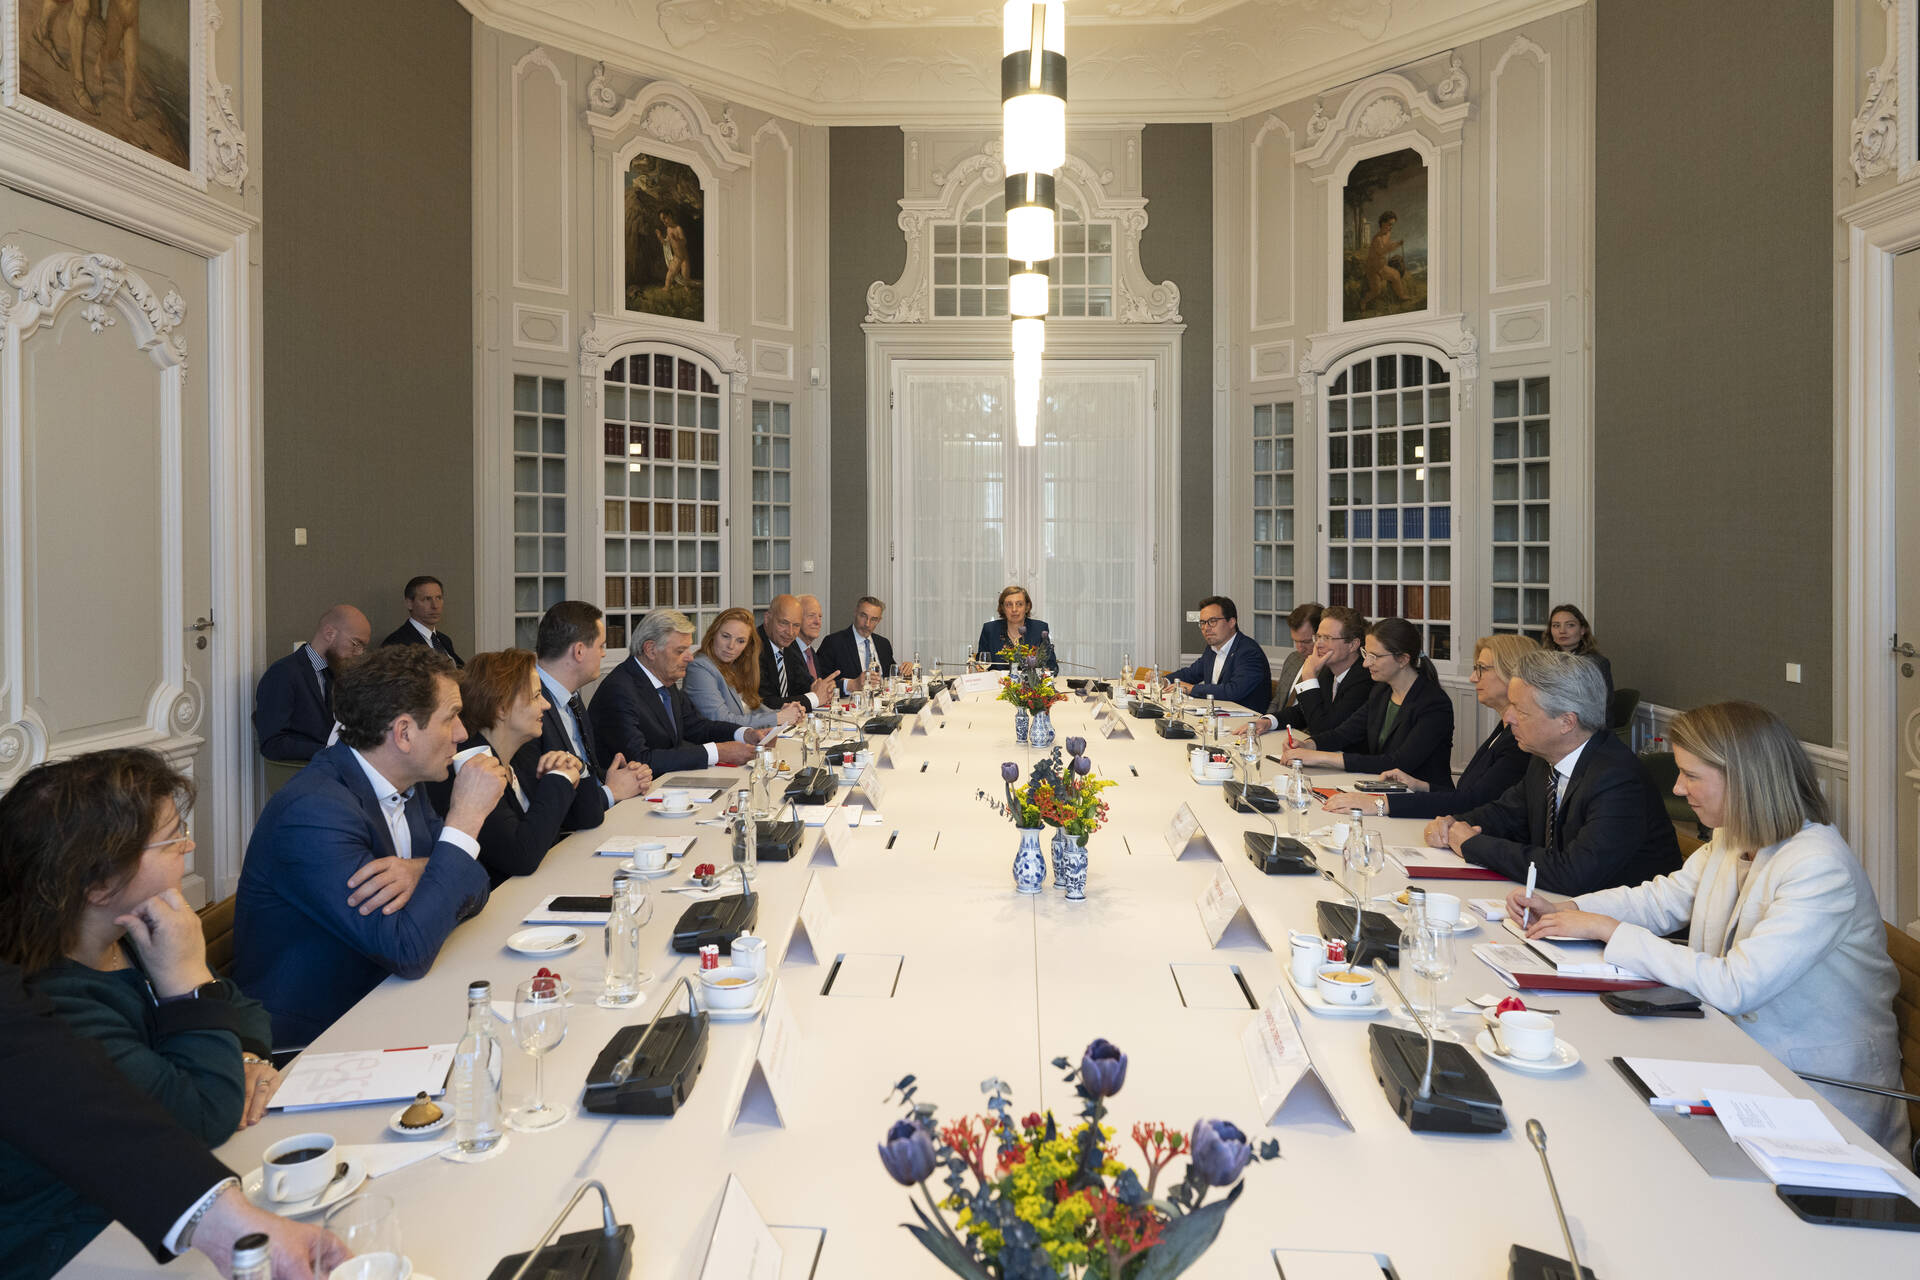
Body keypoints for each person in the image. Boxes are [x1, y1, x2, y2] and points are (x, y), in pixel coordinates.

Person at [1506, 701, 1911, 1158]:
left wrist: (1607, 930)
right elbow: (1662, 900)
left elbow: (1737, 985)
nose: (1678, 788)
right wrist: (1566, 908)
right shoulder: (1734, 836)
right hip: (1740, 1057)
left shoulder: (1818, 866)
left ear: (1744, 779)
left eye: (1691, 775)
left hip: (1818, 1095)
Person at [0, 751, 284, 1277]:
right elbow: (202, 1119)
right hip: (82, 1246)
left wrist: (242, 1055)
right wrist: (188, 985)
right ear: (99, 884)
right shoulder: (48, 1008)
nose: (190, 845)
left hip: (167, 1206)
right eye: (173, 839)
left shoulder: (136, 935)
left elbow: (244, 1010)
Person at [0, 956, 344, 1279]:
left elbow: (45, 1068)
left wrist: (226, 1222)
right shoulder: (66, 987)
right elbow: (206, 1113)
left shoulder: (148, 941)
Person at [234, 646, 507, 1048]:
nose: (462, 733)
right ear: (403, 733)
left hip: (389, 1001)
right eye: (450, 717)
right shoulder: (313, 812)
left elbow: (476, 887)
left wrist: (419, 869)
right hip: (316, 1040)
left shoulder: (404, 782)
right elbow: (407, 950)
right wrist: (465, 820)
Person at [1424, 649, 1680, 895]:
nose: (1509, 717)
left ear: (1566, 722)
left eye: (1521, 710)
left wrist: (1472, 844)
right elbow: (1504, 814)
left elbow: (1574, 873)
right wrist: (1454, 823)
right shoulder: (1543, 758)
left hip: (1622, 930)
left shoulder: (1618, 779)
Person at [430, 650, 645, 887]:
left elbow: (587, 817)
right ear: (501, 708)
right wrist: (559, 779)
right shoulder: (472, 768)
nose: (546, 705)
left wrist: (578, 769)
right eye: (535, 696)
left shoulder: (523, 752)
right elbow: (521, 856)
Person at [1321, 634, 1535, 818]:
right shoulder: (1504, 730)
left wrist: (1380, 804)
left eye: (1481, 669)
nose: (1472, 678)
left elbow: (1473, 801)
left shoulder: (1521, 742)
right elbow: (1466, 793)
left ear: (1512, 674)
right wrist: (1419, 786)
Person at [591, 609, 769, 775]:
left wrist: (744, 733)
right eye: (680, 651)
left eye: (688, 649)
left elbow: (698, 727)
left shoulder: (664, 679)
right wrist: (717, 752)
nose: (690, 657)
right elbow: (640, 760)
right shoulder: (619, 691)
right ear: (651, 650)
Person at [1280, 618, 1453, 788]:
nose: (1365, 663)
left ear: (1403, 659)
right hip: (1383, 787)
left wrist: (1320, 757)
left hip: (1427, 800)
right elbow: (1344, 733)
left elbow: (1398, 762)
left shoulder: (1434, 704)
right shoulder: (1382, 691)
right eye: (1365, 654)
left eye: (1374, 656)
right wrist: (1309, 744)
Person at [253, 605, 372, 762]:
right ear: (329, 633)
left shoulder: (338, 673)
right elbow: (273, 744)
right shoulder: (283, 673)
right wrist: (329, 751)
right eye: (356, 644)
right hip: (306, 772)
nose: (359, 653)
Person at [1250, 605, 1370, 739]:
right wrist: (1268, 722)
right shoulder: (1329, 671)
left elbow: (1322, 730)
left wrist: (1309, 676)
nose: (1319, 644)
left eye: (1328, 638)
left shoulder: (1364, 680)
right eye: (1318, 637)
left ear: (1353, 645)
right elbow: (1304, 712)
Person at [685, 608, 805, 732]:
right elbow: (721, 720)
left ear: (748, 645)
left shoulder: (735, 665)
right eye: (725, 636)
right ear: (713, 634)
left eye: (740, 641)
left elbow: (750, 708)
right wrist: (778, 717)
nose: (731, 646)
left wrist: (785, 712)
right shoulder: (699, 667)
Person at [1167, 595, 1272, 713]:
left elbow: (1233, 691)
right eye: (1202, 622)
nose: (1206, 628)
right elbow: (1191, 673)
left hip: (1244, 721)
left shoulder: (1249, 652)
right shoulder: (1212, 649)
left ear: (1231, 622)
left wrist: (1192, 689)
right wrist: (1165, 681)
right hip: (1215, 715)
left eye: (1212, 621)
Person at [758, 594, 839, 711]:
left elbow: (802, 683)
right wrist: (814, 698)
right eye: (784, 623)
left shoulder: (788, 647)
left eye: (796, 625)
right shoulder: (754, 648)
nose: (790, 632)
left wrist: (818, 687)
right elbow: (766, 703)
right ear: (767, 618)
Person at [818, 596, 900, 694]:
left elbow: (892, 676)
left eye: (873, 619)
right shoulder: (833, 642)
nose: (867, 624)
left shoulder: (883, 644)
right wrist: (852, 684)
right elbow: (820, 683)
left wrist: (905, 671)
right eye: (863, 616)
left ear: (879, 620)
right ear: (855, 613)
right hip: (851, 705)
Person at [381, 575, 464, 667]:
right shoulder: (396, 643)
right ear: (409, 603)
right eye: (427, 599)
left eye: (438, 598)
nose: (435, 606)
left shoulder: (444, 640)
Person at [1545, 602, 1613, 706]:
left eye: (1570, 625)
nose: (1562, 631)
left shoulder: (1597, 663)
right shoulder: (1543, 661)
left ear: (1582, 630)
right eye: (1556, 625)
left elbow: (1602, 707)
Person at [975, 585, 1058, 670]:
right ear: (1003, 608)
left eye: (1019, 604)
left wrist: (1044, 672)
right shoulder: (990, 630)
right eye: (1009, 604)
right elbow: (982, 663)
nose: (1014, 609)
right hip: (996, 682)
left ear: (1027, 607)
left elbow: (1052, 665)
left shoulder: (1040, 629)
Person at [1269, 601, 1323, 715]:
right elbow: (1277, 701)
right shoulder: (1293, 659)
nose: (1299, 649)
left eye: (1306, 642)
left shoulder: (1329, 668)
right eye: (1295, 641)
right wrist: (1267, 720)